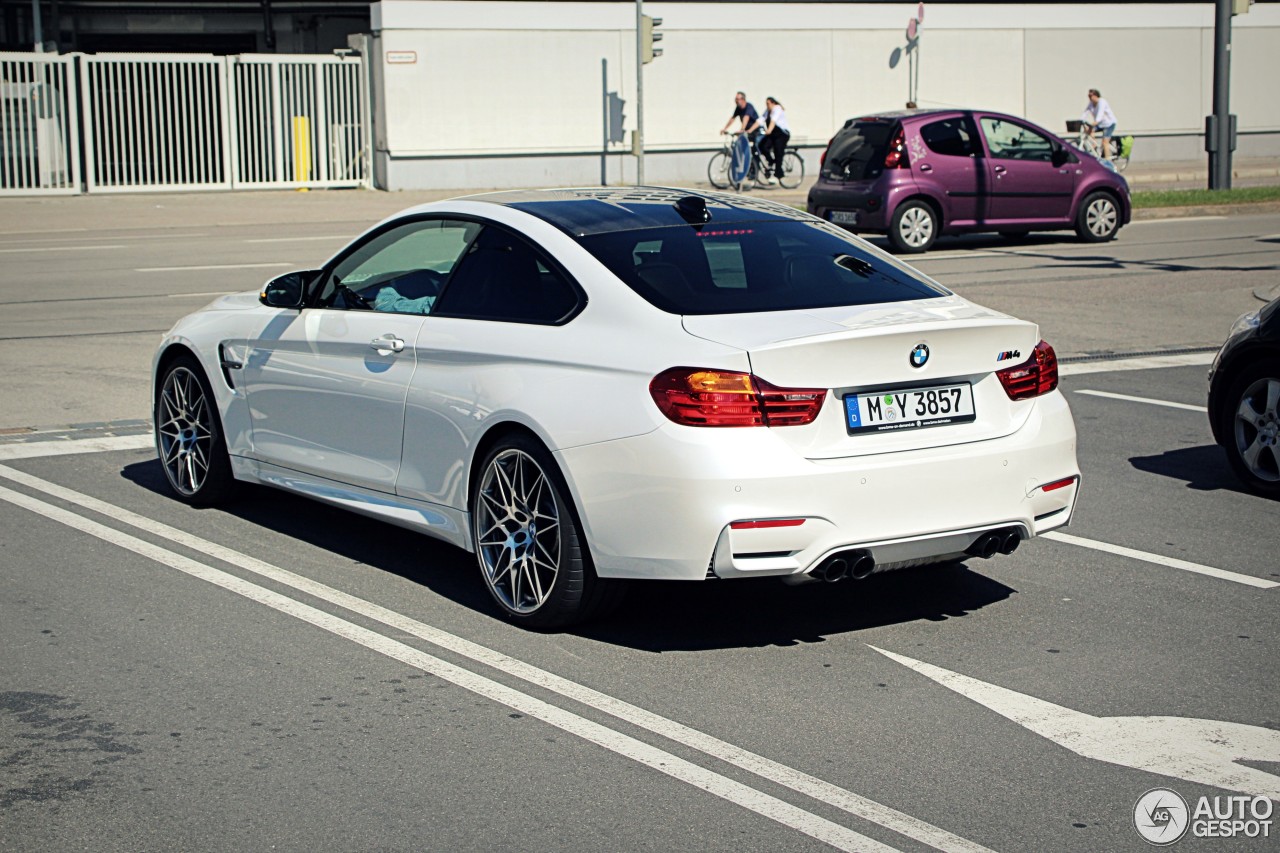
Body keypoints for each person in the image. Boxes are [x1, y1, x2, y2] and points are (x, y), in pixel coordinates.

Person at [757, 96, 791, 185]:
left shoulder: (777, 108)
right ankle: (772, 162)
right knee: (762, 146)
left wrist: (769, 130)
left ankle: (778, 174)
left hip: (782, 134)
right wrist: (748, 130)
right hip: (773, 134)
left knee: (778, 151)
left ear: (773, 103)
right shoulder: (768, 111)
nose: (767, 106)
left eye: (768, 104)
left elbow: (773, 121)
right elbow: (760, 120)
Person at [1082, 88, 1118, 160]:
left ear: (1095, 95)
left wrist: (1092, 124)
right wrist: (1081, 121)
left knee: (1105, 142)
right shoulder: (1091, 103)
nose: (1089, 98)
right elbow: (1085, 113)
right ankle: (1094, 146)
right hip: (1101, 124)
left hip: (1109, 124)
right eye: (1088, 96)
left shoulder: (1102, 102)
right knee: (1089, 131)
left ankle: (1108, 161)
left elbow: (1099, 117)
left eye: (1090, 96)